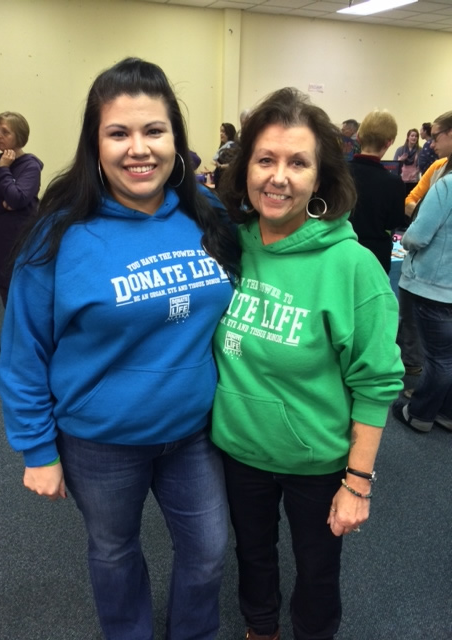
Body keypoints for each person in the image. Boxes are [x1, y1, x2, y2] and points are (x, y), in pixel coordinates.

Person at [0, 57, 240, 640]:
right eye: (118, 133)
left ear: (176, 139)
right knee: (114, 552)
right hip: (99, 441)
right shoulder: (59, 233)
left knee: (209, 551)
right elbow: (25, 351)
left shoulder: (206, 214)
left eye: (154, 130)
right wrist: (36, 450)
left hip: (194, 431)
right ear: (95, 143)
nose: (139, 149)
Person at [211, 88, 404, 640]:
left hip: (316, 460)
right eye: (265, 160)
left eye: (298, 163)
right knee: (252, 555)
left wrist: (358, 483)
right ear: (245, 168)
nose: (279, 177)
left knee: (317, 571)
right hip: (238, 449)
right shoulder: (228, 246)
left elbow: (377, 382)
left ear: (320, 179)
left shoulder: (352, 266)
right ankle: (260, 628)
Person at [392, 111, 452, 432]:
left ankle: (420, 415)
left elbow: (417, 236)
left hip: (434, 284)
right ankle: (445, 412)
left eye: (436, 135)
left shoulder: (446, 186)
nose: (431, 143)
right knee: (448, 356)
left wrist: (407, 239)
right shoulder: (439, 172)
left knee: (439, 359)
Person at [0, 111, 43, 306]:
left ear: (19, 136)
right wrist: (0, 205)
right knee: (5, 292)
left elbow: (17, 199)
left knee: (25, 296)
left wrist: (4, 169)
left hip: (22, 238)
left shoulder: (30, 166)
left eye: (5, 132)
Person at [348, 109, 405, 273]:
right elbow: (393, 223)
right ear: (389, 142)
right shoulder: (394, 183)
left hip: (338, 250)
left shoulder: (338, 173)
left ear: (358, 138)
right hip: (375, 257)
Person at [394, 128, 421, 196]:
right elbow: (394, 165)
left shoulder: (420, 150)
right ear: (408, 137)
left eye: (416, 136)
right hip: (402, 180)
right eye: (412, 136)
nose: (414, 138)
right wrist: (400, 160)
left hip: (414, 180)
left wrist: (416, 172)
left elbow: (422, 166)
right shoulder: (400, 150)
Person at [212, 122, 237, 190]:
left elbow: (234, 165)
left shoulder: (232, 147)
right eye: (221, 131)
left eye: (223, 131)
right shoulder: (224, 146)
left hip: (227, 184)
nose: (221, 134)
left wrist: (220, 166)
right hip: (220, 182)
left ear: (229, 132)